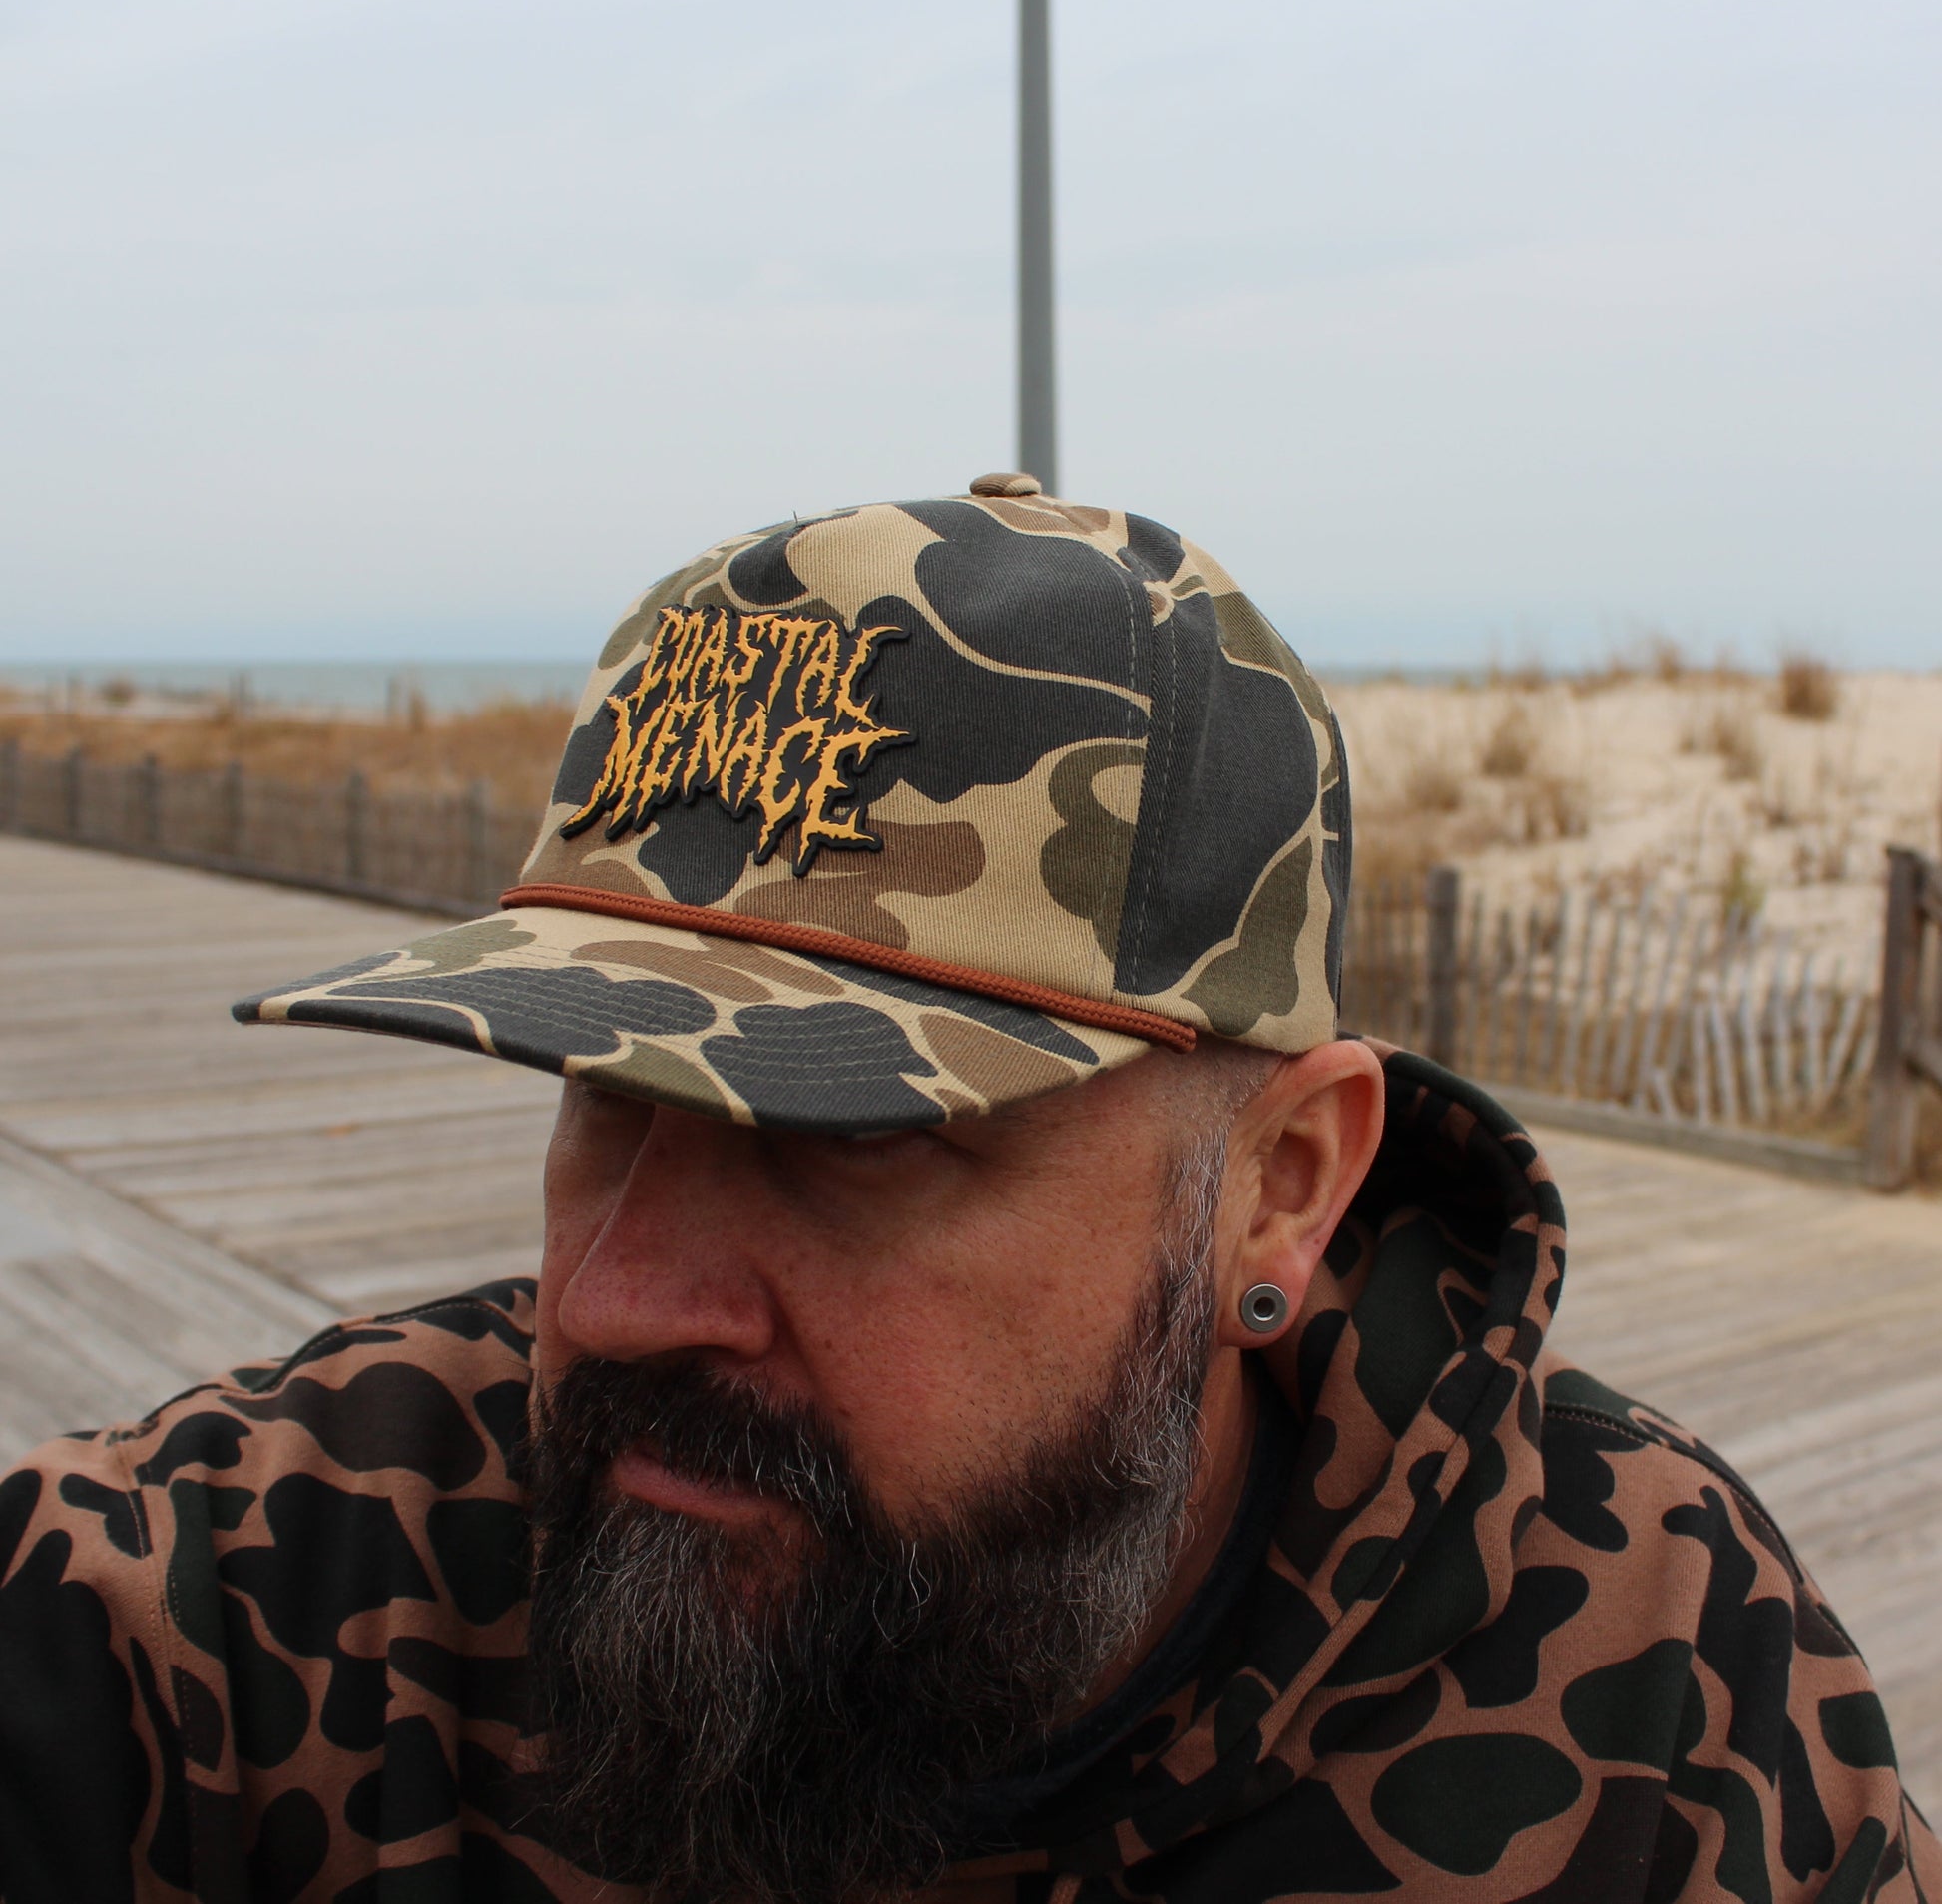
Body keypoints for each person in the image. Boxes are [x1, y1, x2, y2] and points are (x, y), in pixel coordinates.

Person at [0, 474, 1933, 1904]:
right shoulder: (241, 1604)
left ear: (1280, 1186)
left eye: (858, 1129)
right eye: (600, 1089)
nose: (608, 1298)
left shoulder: (1637, 1652)